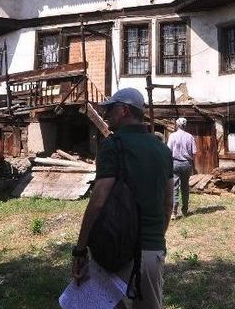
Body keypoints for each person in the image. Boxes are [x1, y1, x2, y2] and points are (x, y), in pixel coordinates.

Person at [72, 87, 174, 309]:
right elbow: (168, 204)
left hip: (115, 252)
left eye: (110, 109)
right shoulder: (163, 150)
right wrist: (155, 240)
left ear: (125, 110)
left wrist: (80, 249)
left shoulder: (112, 145)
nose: (107, 114)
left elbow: (98, 200)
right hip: (152, 252)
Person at [167, 117, 196, 218]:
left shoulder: (172, 136)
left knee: (174, 187)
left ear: (177, 125)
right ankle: (185, 211)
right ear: (185, 125)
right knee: (185, 187)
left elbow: (168, 151)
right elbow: (194, 153)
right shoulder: (190, 137)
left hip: (175, 163)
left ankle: (173, 212)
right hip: (186, 164)